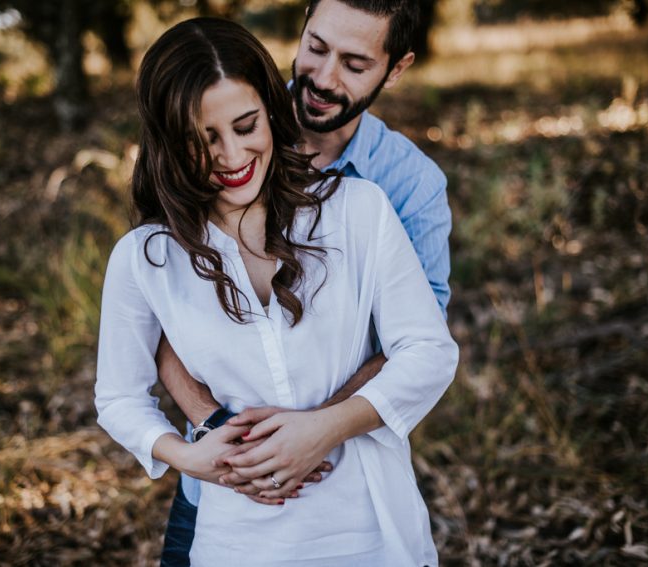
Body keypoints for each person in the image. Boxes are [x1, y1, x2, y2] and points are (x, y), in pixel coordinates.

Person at [95, 16, 458, 567]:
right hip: (235, 540)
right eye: (203, 139)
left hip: (371, 533)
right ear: (169, 142)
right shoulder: (146, 257)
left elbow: (428, 352)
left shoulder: (358, 210)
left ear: (270, 111)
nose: (233, 157)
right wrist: (192, 456)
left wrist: (321, 430)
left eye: (245, 126)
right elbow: (120, 396)